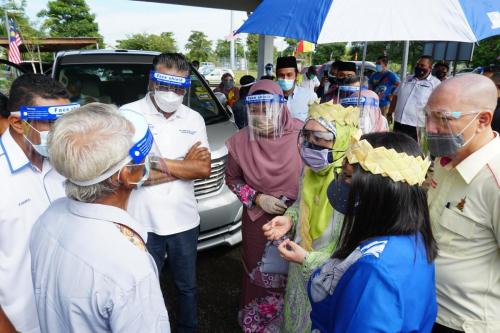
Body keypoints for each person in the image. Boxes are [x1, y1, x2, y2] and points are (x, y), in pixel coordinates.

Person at [30, 104, 170, 333]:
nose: (147, 161)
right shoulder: (129, 265)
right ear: (126, 175)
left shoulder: (49, 217)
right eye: (143, 156)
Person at [308, 131, 437, 332]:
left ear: (379, 189)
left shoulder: (373, 269)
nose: (341, 183)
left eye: (348, 176)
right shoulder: (415, 239)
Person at [121, 52, 211, 333]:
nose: (172, 93)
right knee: (142, 289)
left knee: (187, 287)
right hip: (141, 223)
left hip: (184, 221)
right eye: (165, 84)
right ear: (151, 81)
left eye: (179, 87)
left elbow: (203, 169)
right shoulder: (128, 114)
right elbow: (128, 176)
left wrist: (154, 164)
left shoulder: (194, 117)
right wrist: (184, 165)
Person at [0, 74, 77, 333]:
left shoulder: (67, 162)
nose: (62, 132)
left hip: (74, 317)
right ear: (18, 123)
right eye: (51, 122)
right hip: (25, 325)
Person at [225, 79, 303, 332]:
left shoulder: (303, 135)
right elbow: (232, 178)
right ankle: (256, 325)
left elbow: (318, 175)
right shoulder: (240, 141)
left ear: (282, 107)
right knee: (258, 274)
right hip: (259, 220)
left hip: (298, 218)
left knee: (293, 273)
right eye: (254, 110)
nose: (260, 116)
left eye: (267, 108)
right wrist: (258, 197)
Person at [425, 74, 500, 333]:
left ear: (482, 120)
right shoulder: (444, 162)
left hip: (465, 324)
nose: (431, 128)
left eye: (443, 119)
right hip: (426, 308)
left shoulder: (494, 180)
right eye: (427, 117)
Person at [389, 55, 441, 141]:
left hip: (417, 126)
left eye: (422, 65)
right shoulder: (407, 79)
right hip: (399, 122)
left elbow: (437, 106)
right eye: (417, 64)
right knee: (396, 149)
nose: (418, 67)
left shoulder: (435, 84)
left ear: (430, 68)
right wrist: (390, 112)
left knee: (413, 152)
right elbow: (396, 96)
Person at [276, 56, 317, 122]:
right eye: (281, 75)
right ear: (277, 76)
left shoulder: (310, 96)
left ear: (296, 75)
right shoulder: (270, 97)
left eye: (289, 75)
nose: (285, 79)